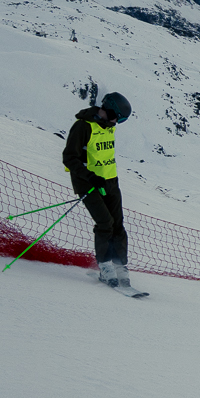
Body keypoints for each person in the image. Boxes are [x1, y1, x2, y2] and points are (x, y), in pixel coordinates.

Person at [62, 92, 134, 288]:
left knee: (118, 224)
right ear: (109, 110)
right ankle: (105, 267)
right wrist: (90, 177)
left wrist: (108, 179)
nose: (116, 123)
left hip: (110, 181)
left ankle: (120, 266)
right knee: (105, 222)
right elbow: (69, 158)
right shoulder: (83, 126)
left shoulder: (108, 127)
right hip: (88, 182)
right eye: (116, 118)